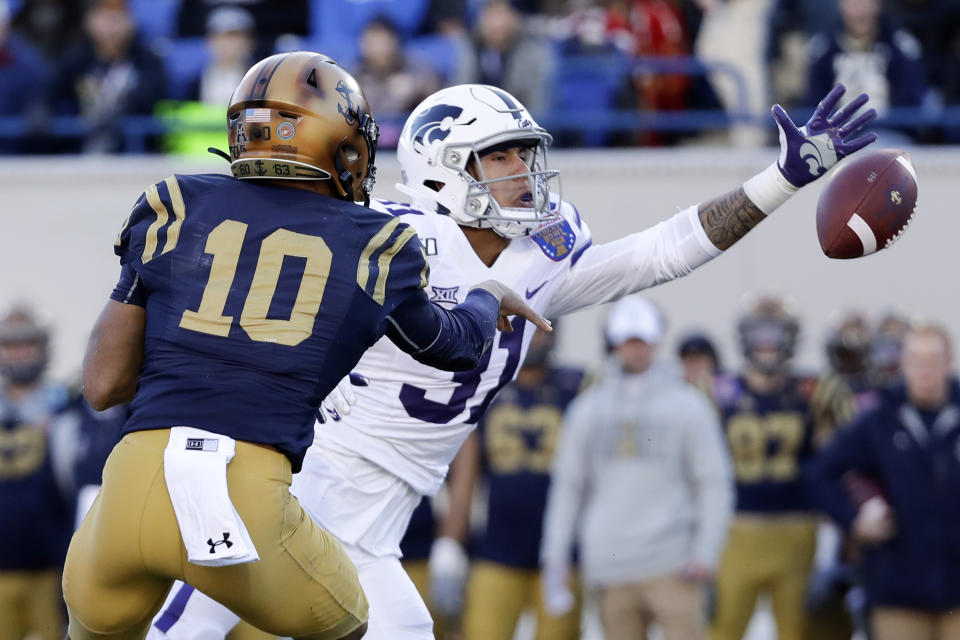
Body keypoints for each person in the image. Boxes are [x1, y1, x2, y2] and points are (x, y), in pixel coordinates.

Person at [150, 81, 878, 639]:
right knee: (187, 626)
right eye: (499, 154)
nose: (523, 169)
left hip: (383, 516)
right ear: (441, 168)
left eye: (524, 151)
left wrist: (780, 180)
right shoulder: (385, 239)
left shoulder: (544, 253)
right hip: (302, 483)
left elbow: (662, 253)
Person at [61, 50, 549, 640]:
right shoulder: (375, 243)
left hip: (128, 486)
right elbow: (457, 348)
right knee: (354, 623)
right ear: (342, 146)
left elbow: (102, 385)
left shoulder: (176, 203)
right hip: (247, 488)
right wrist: (487, 294)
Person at [541, 295, 733, 640]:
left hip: (673, 562)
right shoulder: (587, 409)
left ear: (656, 340)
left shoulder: (687, 404)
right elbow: (569, 486)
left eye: (642, 339)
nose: (635, 349)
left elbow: (713, 481)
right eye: (628, 340)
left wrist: (707, 550)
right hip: (610, 564)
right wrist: (555, 555)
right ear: (614, 342)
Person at [709, 296, 853, 640]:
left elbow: (832, 462)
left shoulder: (814, 391)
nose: (767, 342)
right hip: (735, 531)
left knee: (798, 631)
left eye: (775, 332)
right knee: (722, 629)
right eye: (760, 332)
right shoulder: (717, 390)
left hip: (797, 529)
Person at [805, 323, 960, 640]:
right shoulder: (879, 422)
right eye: (916, 359)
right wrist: (855, 518)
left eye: (933, 359)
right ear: (904, 364)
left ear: (949, 362)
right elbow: (819, 473)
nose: (925, 369)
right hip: (897, 587)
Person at [437, 326, 589, 640]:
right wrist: (450, 543)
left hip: (561, 553)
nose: (534, 340)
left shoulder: (576, 385)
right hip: (497, 547)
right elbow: (466, 474)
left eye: (540, 331)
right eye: (527, 331)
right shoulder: (488, 385)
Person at [0, 306, 73, 640]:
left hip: (49, 566)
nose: (19, 354)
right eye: (10, 345)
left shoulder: (65, 408)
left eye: (26, 344)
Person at [45, 0, 166, 153]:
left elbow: (150, 101)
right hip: (81, 148)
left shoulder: (148, 63)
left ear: (131, 22)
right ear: (89, 22)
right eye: (105, 18)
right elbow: (53, 96)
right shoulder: (74, 63)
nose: (111, 28)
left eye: (118, 18)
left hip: (132, 149)